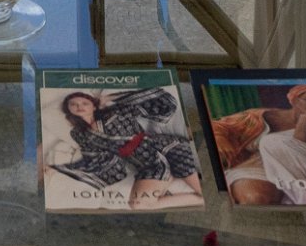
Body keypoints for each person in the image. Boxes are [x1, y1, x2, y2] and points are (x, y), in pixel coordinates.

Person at [40, 86, 199, 209]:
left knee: (199, 189)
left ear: (94, 106)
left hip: (166, 148)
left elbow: (155, 100)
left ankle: (193, 192)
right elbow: (93, 158)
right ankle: (193, 198)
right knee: (137, 205)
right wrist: (58, 169)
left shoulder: (116, 112)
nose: (79, 106)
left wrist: (111, 97)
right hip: (147, 165)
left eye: (84, 103)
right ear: (68, 110)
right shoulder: (80, 134)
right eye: (73, 104)